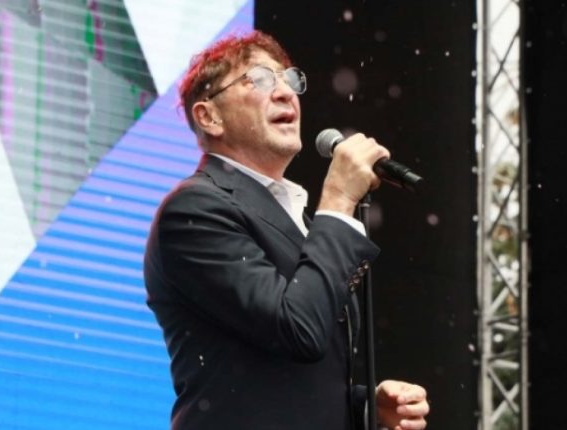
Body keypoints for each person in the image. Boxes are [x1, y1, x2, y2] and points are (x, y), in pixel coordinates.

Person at [143, 30, 429, 430]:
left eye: (289, 79)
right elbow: (297, 329)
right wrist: (339, 199)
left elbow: (290, 379)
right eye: (259, 79)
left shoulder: (300, 220)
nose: (285, 92)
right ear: (210, 116)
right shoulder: (194, 209)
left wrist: (366, 409)